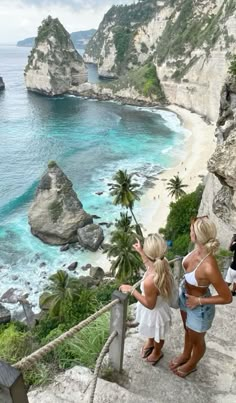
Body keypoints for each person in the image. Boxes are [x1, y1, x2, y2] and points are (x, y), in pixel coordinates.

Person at [170, 216, 232, 378]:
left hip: (200, 307)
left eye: (192, 230)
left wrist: (199, 300)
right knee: (187, 331)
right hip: (185, 298)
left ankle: (191, 364)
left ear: (196, 236)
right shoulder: (196, 250)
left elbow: (227, 297)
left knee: (198, 341)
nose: (189, 231)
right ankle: (185, 354)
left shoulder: (209, 266)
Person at [119, 234, 173, 366]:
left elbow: (150, 305)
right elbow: (149, 264)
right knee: (152, 332)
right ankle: (150, 342)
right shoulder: (162, 263)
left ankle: (157, 352)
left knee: (158, 336)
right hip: (159, 307)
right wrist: (141, 252)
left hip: (154, 311)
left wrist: (132, 290)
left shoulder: (150, 281)